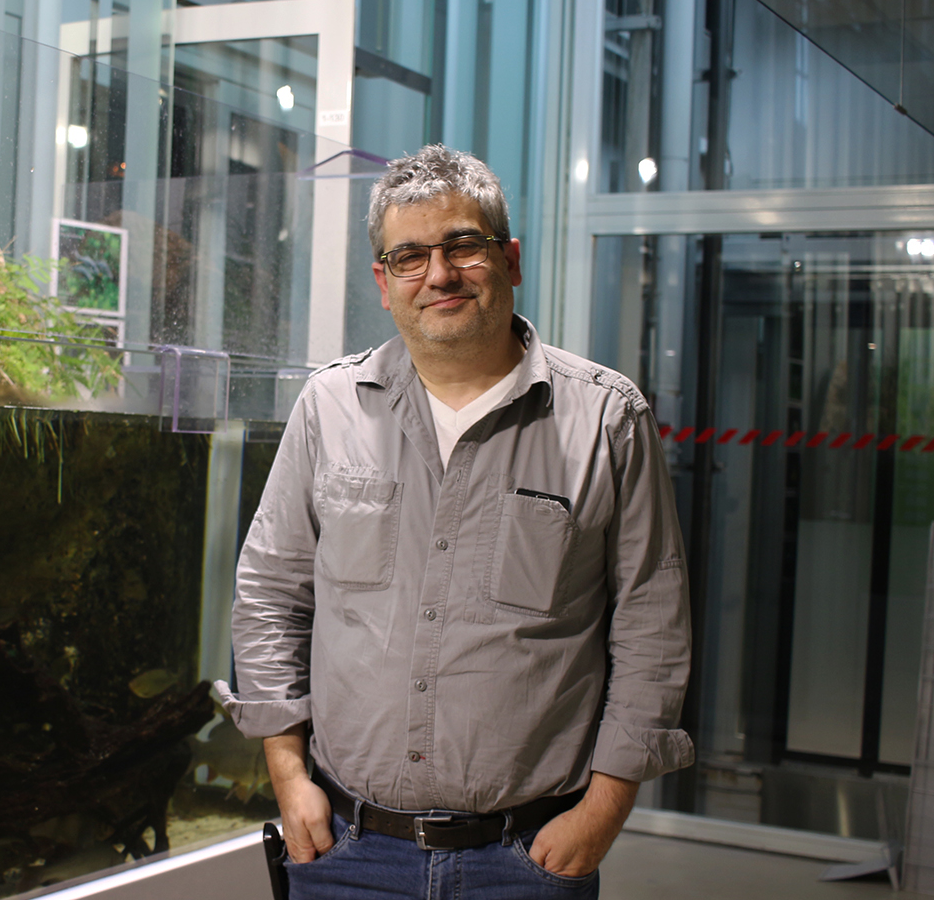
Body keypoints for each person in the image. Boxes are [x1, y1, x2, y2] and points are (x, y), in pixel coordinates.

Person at [214, 145, 693, 899]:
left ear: (510, 258)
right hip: (345, 851)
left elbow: (652, 627)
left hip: (528, 858)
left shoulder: (607, 418)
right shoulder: (329, 408)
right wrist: (287, 774)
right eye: (409, 255)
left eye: (463, 245)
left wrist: (603, 810)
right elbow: (272, 593)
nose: (438, 274)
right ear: (383, 281)